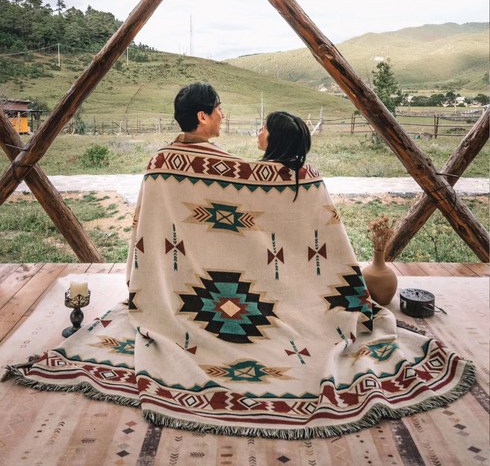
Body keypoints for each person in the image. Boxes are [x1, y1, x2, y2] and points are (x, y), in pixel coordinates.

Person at [7, 83, 475, 440]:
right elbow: (268, 220)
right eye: (219, 112)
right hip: (269, 310)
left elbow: (156, 235)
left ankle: (174, 318)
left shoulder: (161, 163)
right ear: (202, 115)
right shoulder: (243, 169)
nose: (225, 119)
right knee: (313, 316)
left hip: (182, 305)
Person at [258, 111, 311, 201]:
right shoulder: (311, 175)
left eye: (264, 128)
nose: (259, 130)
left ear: (276, 138)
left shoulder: (256, 173)